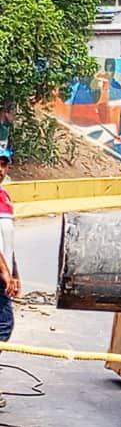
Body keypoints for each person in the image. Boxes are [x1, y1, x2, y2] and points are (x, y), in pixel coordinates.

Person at [0, 150, 19, 410]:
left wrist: (16, 273)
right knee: (4, 324)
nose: (1, 170)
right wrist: (5, 273)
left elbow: (8, 241)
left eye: (4, 165)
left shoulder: (4, 197)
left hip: (2, 275)